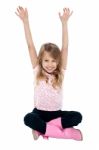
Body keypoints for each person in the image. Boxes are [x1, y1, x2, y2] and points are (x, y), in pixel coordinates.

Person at [15, 6, 82, 140]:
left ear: (58, 61)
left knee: (77, 116)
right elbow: (30, 46)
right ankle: (63, 133)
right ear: (40, 60)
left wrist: (64, 23)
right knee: (28, 118)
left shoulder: (61, 72)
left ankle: (43, 129)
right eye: (46, 60)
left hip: (56, 114)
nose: (50, 64)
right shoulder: (37, 70)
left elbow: (65, 48)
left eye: (53, 61)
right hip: (39, 113)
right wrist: (25, 21)